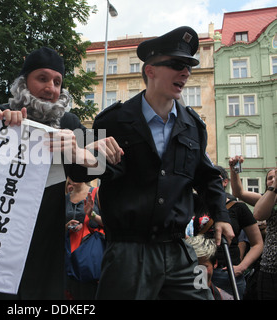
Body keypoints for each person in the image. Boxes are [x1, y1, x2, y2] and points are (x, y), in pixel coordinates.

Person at [69, 26, 234, 300]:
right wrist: (86, 149)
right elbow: (78, 173)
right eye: (177, 65)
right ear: (150, 70)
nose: (186, 73)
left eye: (189, 67)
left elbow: (206, 177)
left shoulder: (193, 126)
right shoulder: (112, 121)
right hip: (128, 253)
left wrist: (222, 216)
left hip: (181, 250)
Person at [0, 47, 122, 300]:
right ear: (24, 82)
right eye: (42, 79)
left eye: (57, 82)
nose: (51, 88)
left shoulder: (68, 124)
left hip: (42, 245)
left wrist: (78, 152)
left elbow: (106, 167)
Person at [193, 165, 263, 299]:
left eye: (215, 179)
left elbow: (257, 244)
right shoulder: (197, 202)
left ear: (225, 182)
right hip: (201, 268)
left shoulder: (239, 208)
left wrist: (242, 267)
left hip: (228, 272)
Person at [64, 178, 103, 299]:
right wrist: (66, 226)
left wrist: (92, 216)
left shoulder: (96, 193)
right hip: (69, 253)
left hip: (90, 254)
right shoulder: (65, 198)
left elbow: (111, 224)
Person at [185, 235, 233, 300]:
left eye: (203, 266)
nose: (196, 271)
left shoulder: (225, 298)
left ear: (215, 263)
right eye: (192, 266)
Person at [254, 168, 277, 299]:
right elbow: (258, 214)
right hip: (270, 268)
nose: (272, 179)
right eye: (270, 178)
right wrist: (275, 186)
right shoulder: (271, 197)